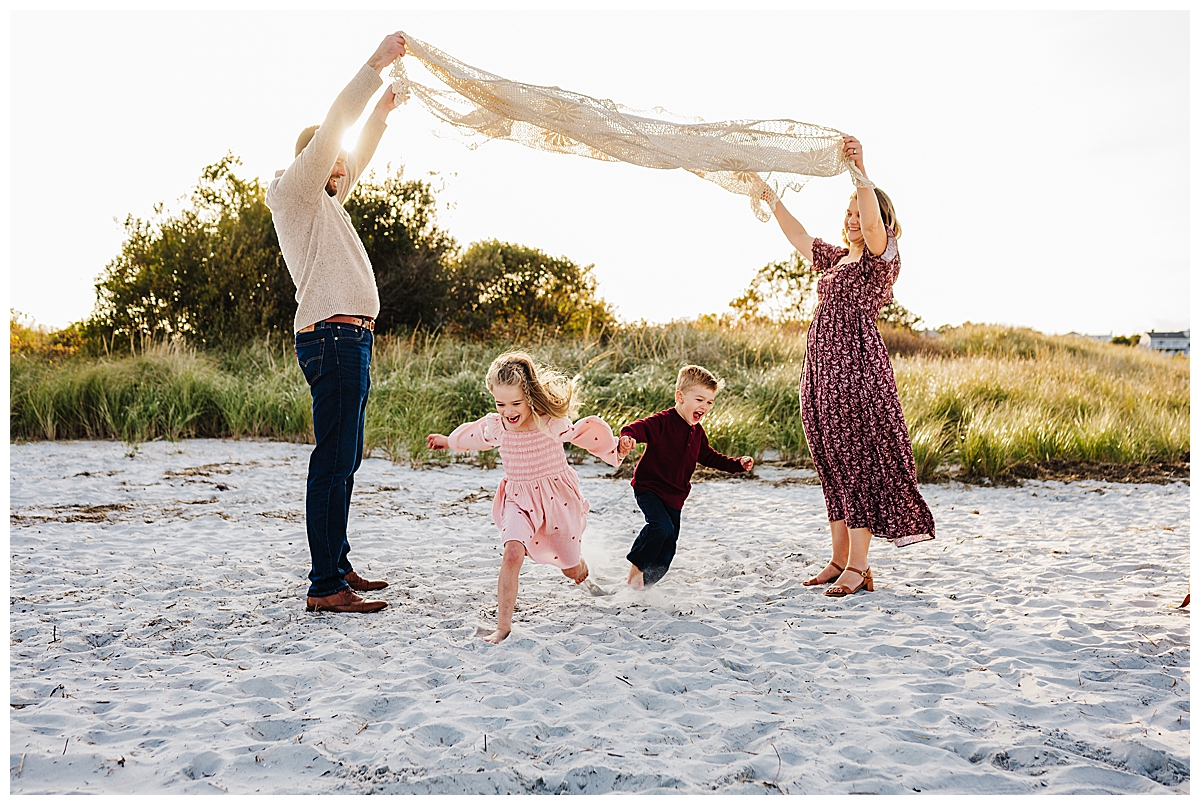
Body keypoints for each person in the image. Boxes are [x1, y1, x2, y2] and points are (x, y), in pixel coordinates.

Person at [266, 32, 408, 613]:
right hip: (332, 337)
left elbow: (358, 151)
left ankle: (337, 565)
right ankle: (324, 586)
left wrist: (381, 112)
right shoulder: (294, 192)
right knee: (332, 459)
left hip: (352, 340)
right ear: (314, 161)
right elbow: (332, 132)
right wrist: (373, 66)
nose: (343, 165)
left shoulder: (327, 203)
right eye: (333, 159)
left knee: (345, 457)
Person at [765, 135, 935, 597]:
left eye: (863, 214)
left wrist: (859, 171)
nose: (855, 220)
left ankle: (859, 567)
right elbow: (799, 236)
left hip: (856, 370)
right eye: (850, 214)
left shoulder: (881, 260)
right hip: (820, 370)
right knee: (831, 462)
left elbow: (875, 222)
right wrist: (770, 197)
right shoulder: (837, 259)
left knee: (856, 460)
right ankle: (839, 559)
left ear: (882, 221)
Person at [426, 352, 624, 643]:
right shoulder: (498, 426)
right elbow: (475, 437)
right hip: (518, 499)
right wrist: (448, 440)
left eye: (515, 403)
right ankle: (503, 627)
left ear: (530, 396)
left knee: (571, 570)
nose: (508, 411)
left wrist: (617, 448)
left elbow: (584, 435)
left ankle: (580, 566)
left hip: (557, 500)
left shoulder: (550, 423)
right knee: (512, 553)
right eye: (500, 403)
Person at [617, 365, 754, 589]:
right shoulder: (663, 422)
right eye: (699, 399)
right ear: (680, 397)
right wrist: (628, 437)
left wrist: (736, 464)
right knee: (660, 527)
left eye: (709, 402)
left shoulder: (697, 432)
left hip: (676, 495)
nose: (705, 406)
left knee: (669, 543)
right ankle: (635, 571)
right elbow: (638, 428)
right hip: (649, 487)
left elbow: (709, 457)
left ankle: (645, 586)